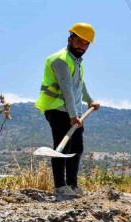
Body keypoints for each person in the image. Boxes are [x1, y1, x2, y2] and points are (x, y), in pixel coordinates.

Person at [35, 23, 101, 197]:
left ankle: (72, 185)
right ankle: (59, 186)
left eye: (86, 44)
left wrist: (90, 101)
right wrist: (73, 116)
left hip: (73, 111)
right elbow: (67, 88)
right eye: (79, 41)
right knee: (61, 148)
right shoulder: (61, 59)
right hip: (58, 109)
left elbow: (80, 84)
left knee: (77, 147)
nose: (83, 46)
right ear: (70, 39)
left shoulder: (76, 61)